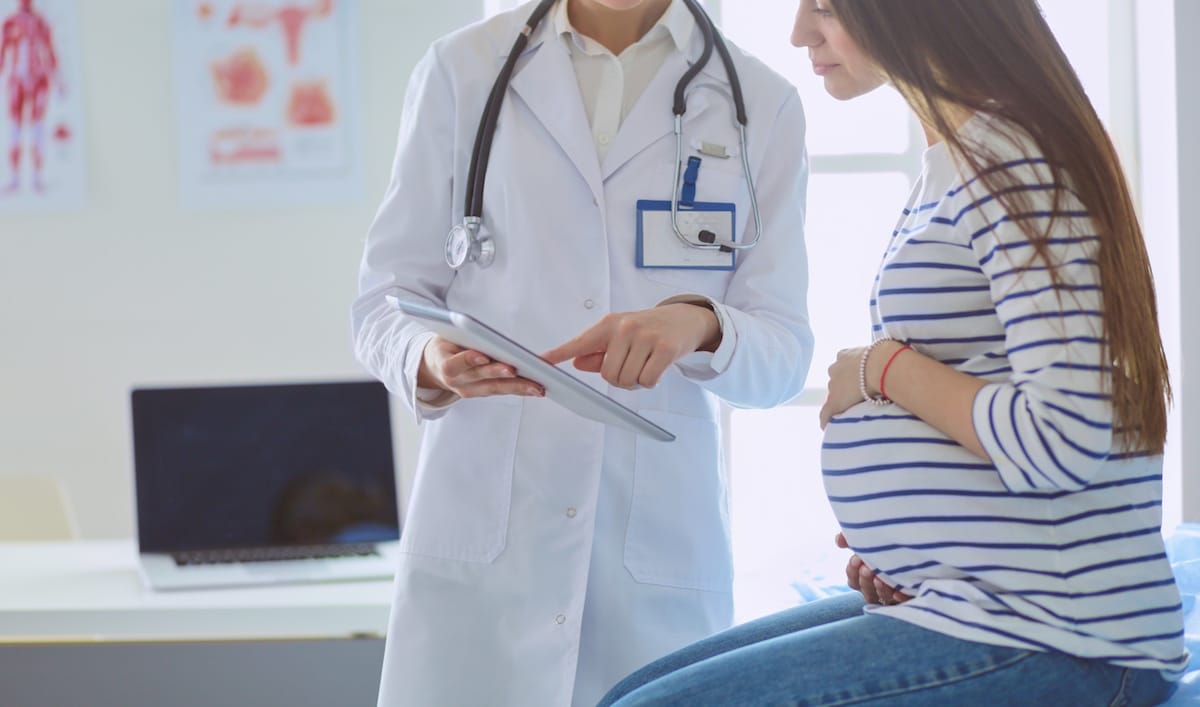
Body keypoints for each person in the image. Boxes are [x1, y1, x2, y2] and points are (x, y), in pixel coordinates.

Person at [597, 0, 1190, 704]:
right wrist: (927, 557)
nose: (799, 33)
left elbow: (1061, 437)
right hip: (986, 603)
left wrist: (878, 369)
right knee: (631, 691)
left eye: (824, 7)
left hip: (1065, 638)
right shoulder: (961, 160)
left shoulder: (1017, 164)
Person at [350, 0, 813, 704]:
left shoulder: (761, 105)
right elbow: (383, 300)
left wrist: (701, 325)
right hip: (484, 543)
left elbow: (783, 354)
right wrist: (429, 357)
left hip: (652, 559)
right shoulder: (463, 70)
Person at [0, 0, 59, 194]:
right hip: (16, 79)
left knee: (37, 127)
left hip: (38, 79)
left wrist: (57, 78)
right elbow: (3, 52)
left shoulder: (40, 22)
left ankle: (36, 177)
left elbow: (49, 51)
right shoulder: (10, 22)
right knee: (15, 128)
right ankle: (14, 177)